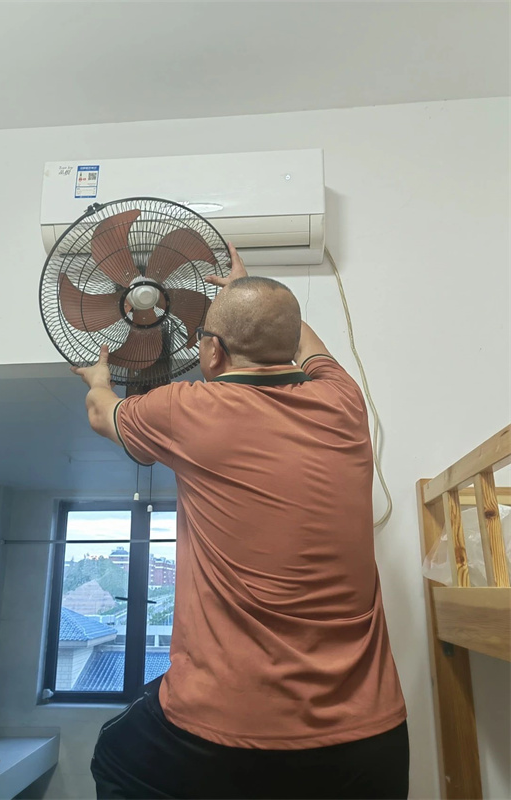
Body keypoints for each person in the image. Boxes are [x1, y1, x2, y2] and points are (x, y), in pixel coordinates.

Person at [72, 243, 409, 799]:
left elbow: (99, 415)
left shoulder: (185, 409)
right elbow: (306, 342)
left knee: (114, 755)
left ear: (213, 351)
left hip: (226, 729)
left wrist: (98, 378)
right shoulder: (344, 399)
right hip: (371, 735)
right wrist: (243, 294)